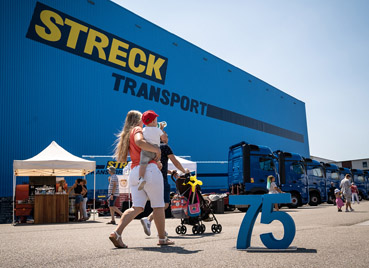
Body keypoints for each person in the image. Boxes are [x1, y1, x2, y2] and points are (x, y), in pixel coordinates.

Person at [108, 110, 174, 248]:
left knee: (136, 207)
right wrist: (157, 151)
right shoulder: (137, 129)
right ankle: (162, 238)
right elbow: (140, 141)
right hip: (149, 171)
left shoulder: (127, 134)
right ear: (138, 120)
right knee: (158, 206)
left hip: (135, 172)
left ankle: (117, 232)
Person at [140, 130, 186, 236]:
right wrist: (184, 171)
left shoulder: (151, 146)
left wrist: (170, 172)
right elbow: (175, 161)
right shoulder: (165, 147)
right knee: (164, 205)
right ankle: (149, 221)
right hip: (161, 179)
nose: (167, 137)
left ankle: (160, 230)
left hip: (149, 177)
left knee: (157, 205)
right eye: (166, 135)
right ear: (162, 137)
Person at [137, 110, 167, 191]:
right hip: (156, 150)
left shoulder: (143, 130)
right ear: (154, 121)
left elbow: (142, 139)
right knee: (157, 162)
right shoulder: (157, 130)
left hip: (147, 149)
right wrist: (161, 130)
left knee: (143, 164)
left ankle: (141, 178)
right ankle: (157, 173)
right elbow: (164, 139)